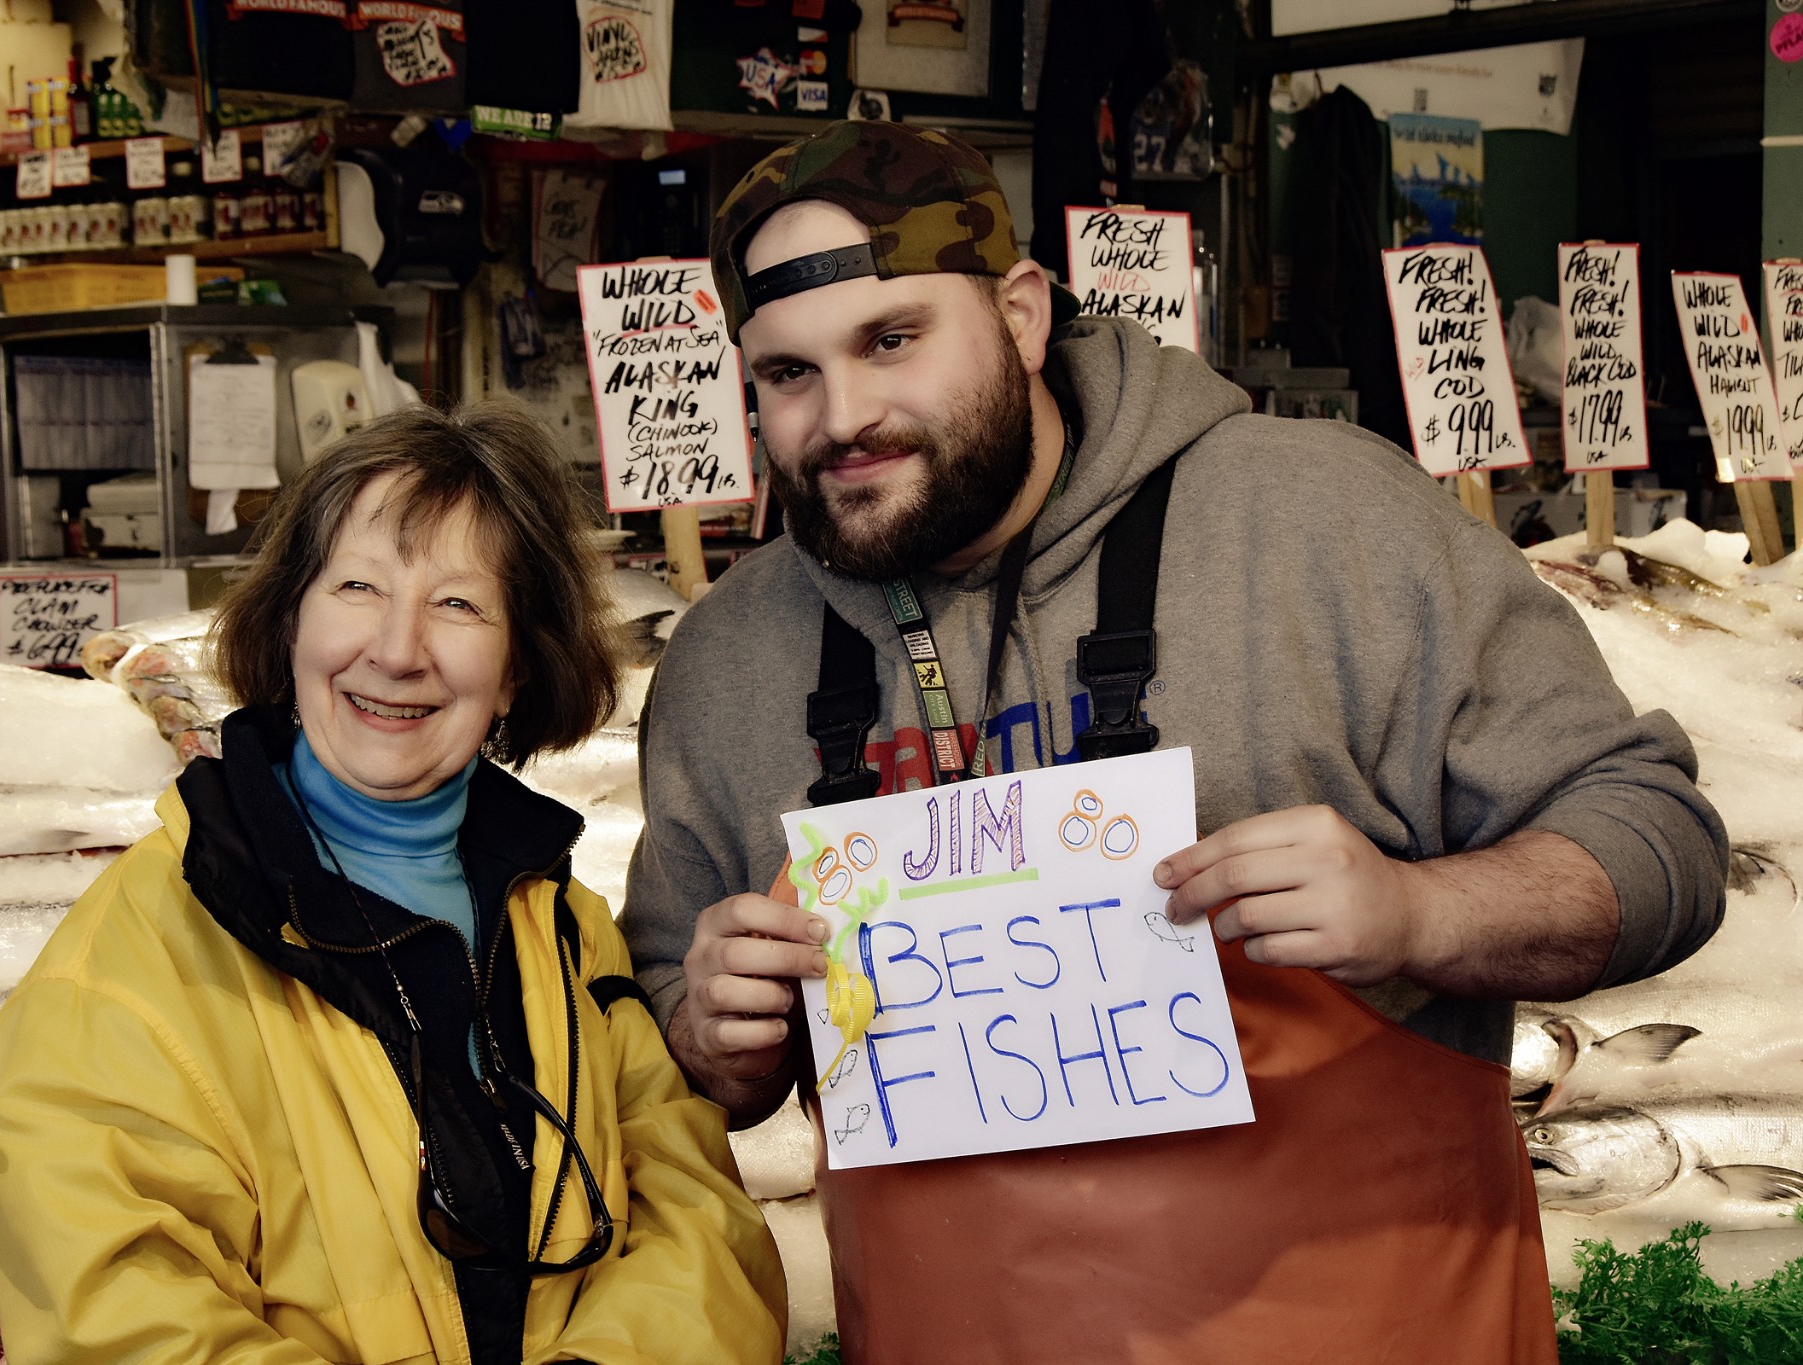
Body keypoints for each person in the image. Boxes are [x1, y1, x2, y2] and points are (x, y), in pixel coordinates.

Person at [618, 121, 1728, 1363]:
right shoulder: (724, 662)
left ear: (1023, 315)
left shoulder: (1322, 525)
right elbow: (665, 1029)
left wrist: (1420, 915)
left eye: (891, 340)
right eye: (786, 374)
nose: (846, 416)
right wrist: (706, 1031)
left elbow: (1657, 841)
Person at [0, 404, 787, 1365]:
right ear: (288, 621)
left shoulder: (565, 925)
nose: (398, 650)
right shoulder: (130, 957)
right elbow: (111, 1314)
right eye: (357, 586)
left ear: (518, 664)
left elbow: (698, 1219)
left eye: (458, 604)